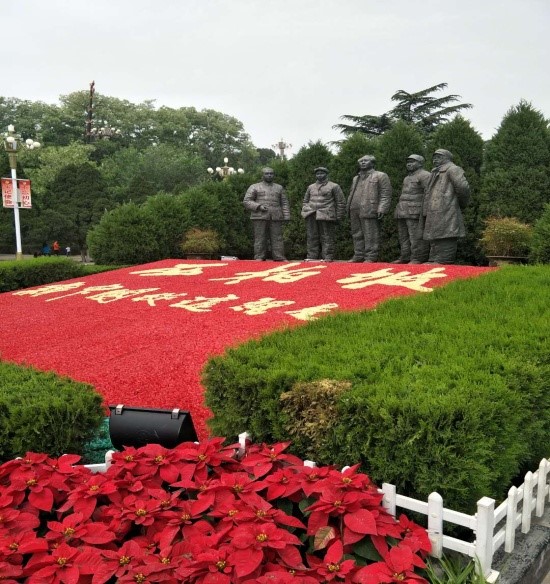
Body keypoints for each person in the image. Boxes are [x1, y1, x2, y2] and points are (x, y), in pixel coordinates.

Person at [421, 149, 470, 264]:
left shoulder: (453, 169)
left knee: (446, 233)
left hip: (447, 208)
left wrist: (458, 203)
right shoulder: (435, 171)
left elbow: (463, 188)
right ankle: (434, 258)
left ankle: (444, 260)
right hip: (434, 209)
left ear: (447, 158)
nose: (435, 159)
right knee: (435, 232)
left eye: (438, 157)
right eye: (434, 157)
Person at [346, 155, 392, 262]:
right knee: (356, 233)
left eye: (365, 161)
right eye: (361, 161)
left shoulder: (380, 175)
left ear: (372, 163)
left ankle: (371, 256)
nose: (362, 162)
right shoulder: (356, 178)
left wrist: (382, 208)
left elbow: (386, 194)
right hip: (354, 208)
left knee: (370, 234)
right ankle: (358, 254)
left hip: (370, 208)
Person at [243, 167, 290, 261]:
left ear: (274, 175)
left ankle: (279, 257)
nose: (269, 175)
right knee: (260, 237)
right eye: (267, 173)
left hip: (276, 216)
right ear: (262, 175)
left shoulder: (279, 187)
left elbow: (284, 202)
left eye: (271, 173)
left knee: (277, 238)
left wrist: (287, 215)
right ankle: (259, 257)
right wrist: (259, 206)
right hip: (259, 215)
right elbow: (246, 201)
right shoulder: (254, 187)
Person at [392, 154, 431, 264]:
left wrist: (426, 210)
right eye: (408, 162)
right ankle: (405, 256)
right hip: (402, 210)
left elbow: (428, 193)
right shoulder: (407, 177)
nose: (409, 164)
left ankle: (417, 258)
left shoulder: (425, 175)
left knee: (416, 236)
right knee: (403, 236)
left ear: (420, 163)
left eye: (412, 161)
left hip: (415, 211)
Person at [302, 167, 345, 262]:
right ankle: (312, 256)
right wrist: (306, 209)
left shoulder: (334, 186)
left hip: (326, 214)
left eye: (322, 173)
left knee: (327, 236)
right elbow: (305, 201)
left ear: (326, 174)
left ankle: (328, 256)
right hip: (311, 214)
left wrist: (338, 216)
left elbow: (340, 202)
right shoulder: (311, 187)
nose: (319, 175)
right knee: (311, 236)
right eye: (317, 173)